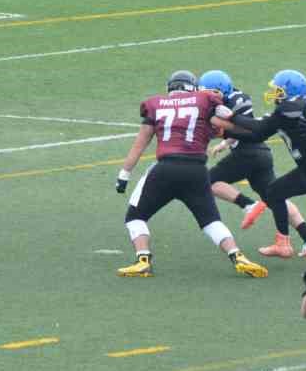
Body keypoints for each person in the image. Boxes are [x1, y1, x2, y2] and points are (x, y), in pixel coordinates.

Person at [113, 69, 268, 279]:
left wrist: (124, 174)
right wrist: (257, 129)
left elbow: (139, 144)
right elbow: (229, 127)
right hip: (196, 171)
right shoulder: (203, 102)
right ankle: (237, 255)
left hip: (165, 169)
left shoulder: (155, 104)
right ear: (193, 88)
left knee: (135, 217)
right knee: (210, 221)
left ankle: (143, 261)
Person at [220, 69, 306, 260]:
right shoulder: (291, 108)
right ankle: (282, 243)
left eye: (278, 90)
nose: (274, 93)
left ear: (290, 92)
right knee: (273, 192)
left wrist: (231, 117)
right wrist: (225, 133)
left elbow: (260, 127)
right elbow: (259, 135)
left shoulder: (292, 108)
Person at [198, 70, 306, 257]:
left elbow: (246, 129)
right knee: (274, 196)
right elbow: (242, 129)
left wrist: (216, 125)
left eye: (209, 92)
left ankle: (248, 205)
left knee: (206, 181)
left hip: (249, 153)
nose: (205, 96)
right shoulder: (233, 98)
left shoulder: (240, 101)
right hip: (259, 153)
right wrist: (225, 142)